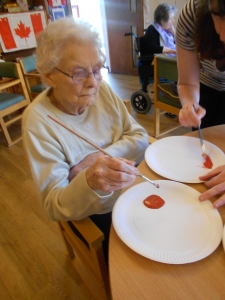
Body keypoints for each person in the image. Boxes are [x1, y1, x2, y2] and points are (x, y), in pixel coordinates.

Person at [22, 17, 149, 263]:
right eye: (79, 73)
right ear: (50, 76)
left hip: (134, 188)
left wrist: (98, 159)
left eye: (97, 69)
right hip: (99, 212)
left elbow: (140, 137)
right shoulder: (39, 122)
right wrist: (91, 181)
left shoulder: (102, 90)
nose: (93, 82)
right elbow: (53, 204)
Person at [176, 0, 225, 208]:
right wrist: (190, 105)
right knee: (205, 168)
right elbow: (187, 82)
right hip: (206, 91)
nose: (223, 36)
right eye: (218, 15)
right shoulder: (192, 14)